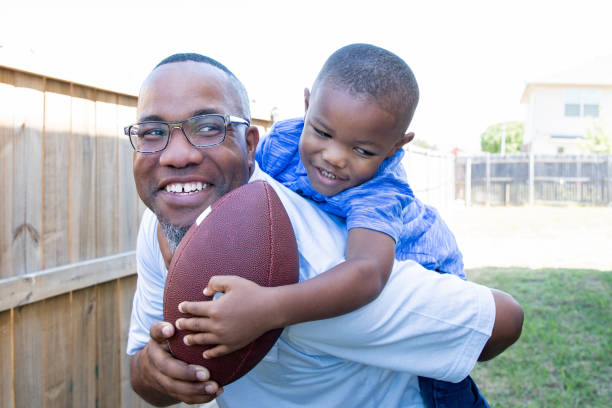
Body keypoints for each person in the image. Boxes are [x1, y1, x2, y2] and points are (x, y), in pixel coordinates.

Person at [126, 53, 524, 407]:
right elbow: (143, 379)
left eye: (208, 127)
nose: (176, 156)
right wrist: (155, 370)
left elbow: (502, 321)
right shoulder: (166, 217)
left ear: (249, 145)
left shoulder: (323, 257)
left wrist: (273, 308)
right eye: (152, 132)